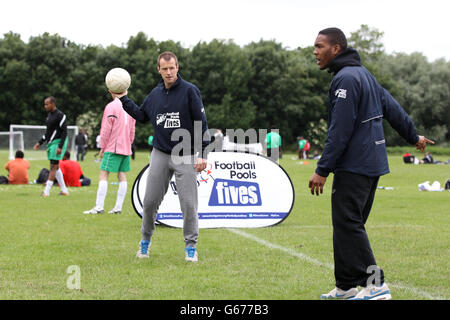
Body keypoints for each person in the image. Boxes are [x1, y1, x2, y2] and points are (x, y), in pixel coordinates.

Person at [308, 28, 435, 300]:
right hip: (371, 162)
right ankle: (346, 286)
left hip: (355, 164)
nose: (315, 52)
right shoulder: (363, 74)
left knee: (349, 223)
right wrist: (413, 136)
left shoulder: (345, 79)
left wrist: (322, 169)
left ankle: (376, 285)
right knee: (347, 224)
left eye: (320, 46)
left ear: (337, 48)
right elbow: (392, 107)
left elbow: (340, 130)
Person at [111, 51, 210, 262]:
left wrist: (202, 154)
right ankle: (144, 243)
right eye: (164, 69)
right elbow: (141, 115)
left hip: (186, 154)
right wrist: (123, 99)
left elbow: (201, 123)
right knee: (149, 202)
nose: (169, 72)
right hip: (160, 153)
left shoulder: (190, 91)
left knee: (189, 204)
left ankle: (191, 247)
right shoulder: (155, 94)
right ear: (159, 69)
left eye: (172, 67)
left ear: (178, 67)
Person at [83, 90, 136, 215]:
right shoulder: (131, 106)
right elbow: (132, 129)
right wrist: (129, 143)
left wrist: (102, 146)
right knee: (122, 175)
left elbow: (106, 129)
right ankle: (118, 208)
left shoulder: (111, 106)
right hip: (126, 148)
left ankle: (99, 207)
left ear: (111, 91)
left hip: (113, 147)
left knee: (103, 174)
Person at [33, 96, 70, 197]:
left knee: (53, 166)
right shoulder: (49, 116)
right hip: (51, 143)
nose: (45, 106)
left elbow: (64, 132)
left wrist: (60, 146)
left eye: (47, 104)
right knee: (56, 166)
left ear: (53, 104)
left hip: (58, 142)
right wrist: (40, 143)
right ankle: (64, 190)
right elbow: (48, 133)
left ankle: (46, 191)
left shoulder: (60, 115)